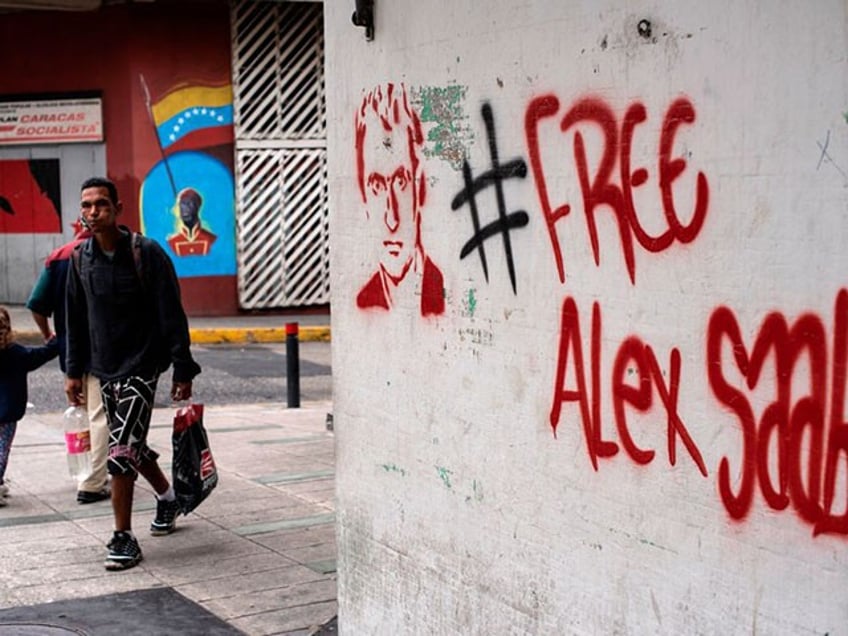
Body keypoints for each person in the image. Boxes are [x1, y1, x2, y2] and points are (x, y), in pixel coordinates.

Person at [65, 176, 201, 571]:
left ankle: (122, 537)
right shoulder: (79, 259)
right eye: (87, 205)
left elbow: (171, 313)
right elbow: (74, 318)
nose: (93, 212)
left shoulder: (147, 253)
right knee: (132, 443)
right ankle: (168, 497)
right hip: (105, 368)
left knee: (121, 448)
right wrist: (73, 371)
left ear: (117, 208)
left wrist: (182, 366)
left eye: (101, 205)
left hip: (143, 363)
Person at [26, 223, 111, 504]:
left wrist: (49, 334)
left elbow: (37, 305)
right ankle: (92, 482)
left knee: (83, 412)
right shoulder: (107, 251)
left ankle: (87, 471)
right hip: (103, 348)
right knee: (99, 416)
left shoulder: (59, 256)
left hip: (70, 350)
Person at [354, 82, 445, 316]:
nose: (391, 219)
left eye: (401, 182)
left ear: (420, 187)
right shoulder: (364, 302)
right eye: (376, 186)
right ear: (363, 198)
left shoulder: (444, 290)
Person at [0, 306, 58, 506]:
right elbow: (41, 355)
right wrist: (56, 341)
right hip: (7, 413)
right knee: (2, 449)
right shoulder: (16, 353)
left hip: (7, 412)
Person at [166, 187, 217, 257]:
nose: (185, 209)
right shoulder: (171, 243)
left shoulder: (212, 240)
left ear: (197, 207)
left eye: (189, 203)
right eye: (182, 204)